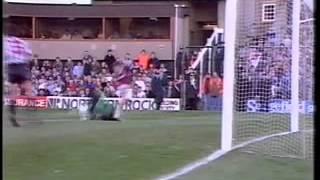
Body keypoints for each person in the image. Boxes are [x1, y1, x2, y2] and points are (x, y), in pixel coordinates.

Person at [4, 24, 33, 127]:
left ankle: (13, 115)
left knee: (13, 93)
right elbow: (29, 55)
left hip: (11, 67)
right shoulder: (23, 42)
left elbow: (5, 54)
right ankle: (32, 115)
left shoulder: (5, 41)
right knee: (28, 90)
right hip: (21, 66)